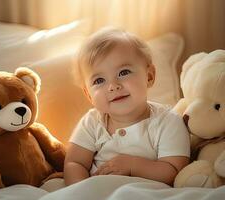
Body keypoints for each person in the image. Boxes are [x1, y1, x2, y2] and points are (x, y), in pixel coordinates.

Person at [64, 27, 190, 186]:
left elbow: (174, 170)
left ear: (149, 76)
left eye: (123, 72)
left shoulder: (168, 121)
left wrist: (132, 165)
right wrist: (80, 190)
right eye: (99, 81)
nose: (113, 86)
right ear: (89, 95)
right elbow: (74, 163)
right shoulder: (92, 122)